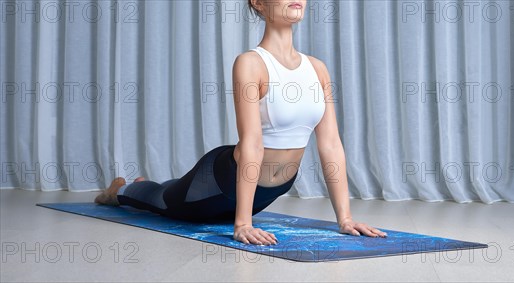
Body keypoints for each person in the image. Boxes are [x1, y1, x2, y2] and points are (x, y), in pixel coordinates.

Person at [95, 0, 387, 245]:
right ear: (258, 2)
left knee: (183, 198)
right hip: (222, 180)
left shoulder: (318, 69)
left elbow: (331, 143)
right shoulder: (250, 63)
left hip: (272, 188)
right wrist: (243, 223)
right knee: (161, 202)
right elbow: (252, 142)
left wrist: (345, 219)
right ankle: (119, 190)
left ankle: (145, 184)